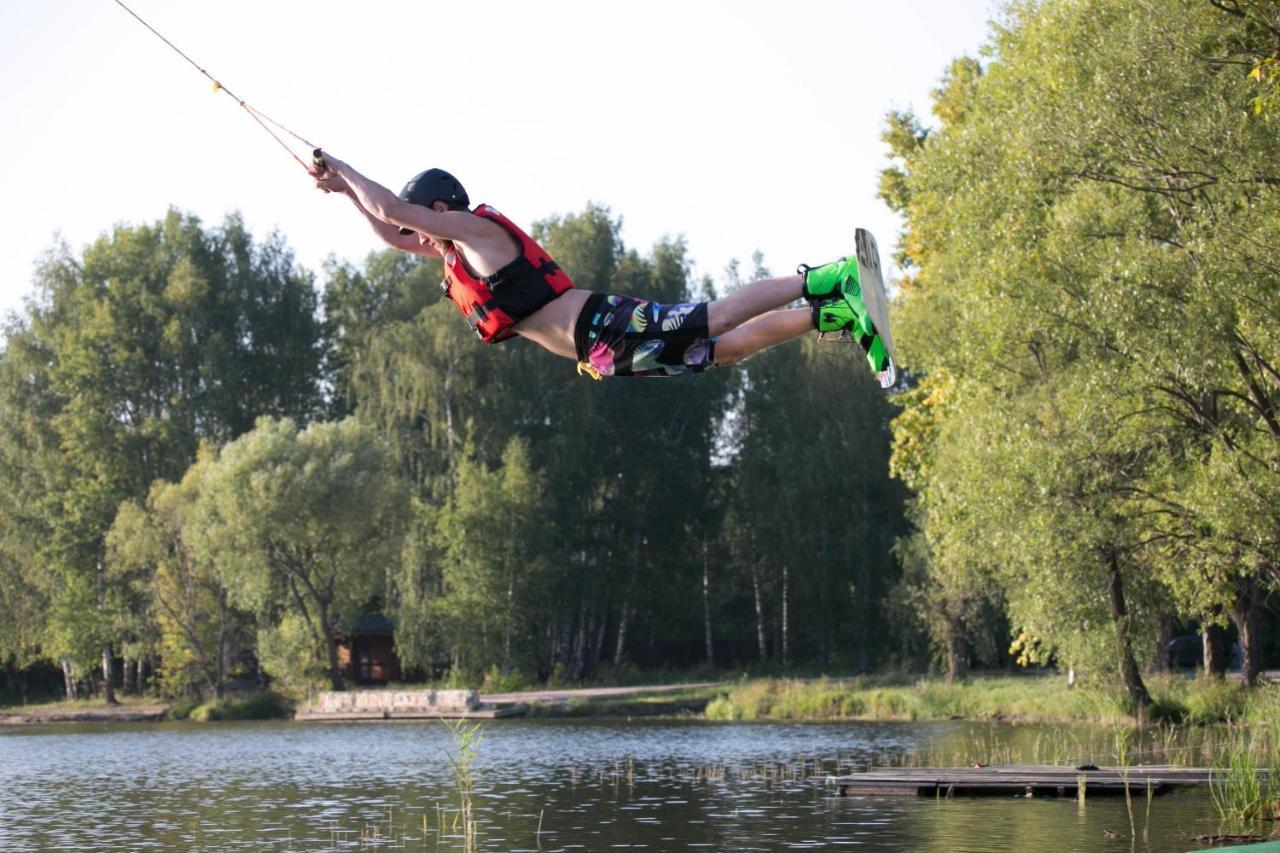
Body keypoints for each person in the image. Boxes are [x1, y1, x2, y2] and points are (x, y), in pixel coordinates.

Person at [309, 154, 889, 379]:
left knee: (713, 319)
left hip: (603, 323)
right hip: (601, 352)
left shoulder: (476, 232)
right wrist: (340, 193)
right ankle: (830, 314)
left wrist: (345, 167)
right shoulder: (452, 254)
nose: (417, 233)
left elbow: (390, 209)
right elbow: (389, 231)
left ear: (439, 210)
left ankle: (828, 276)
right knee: (724, 350)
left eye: (422, 220)